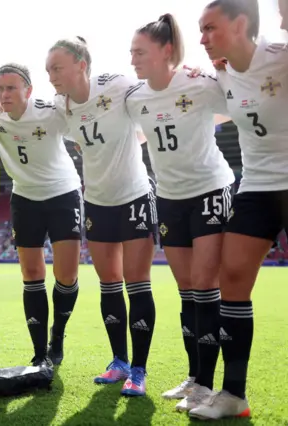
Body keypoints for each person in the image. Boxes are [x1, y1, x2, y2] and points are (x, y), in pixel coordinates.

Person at [125, 14, 235, 410]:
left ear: (166, 51)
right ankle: (195, 377)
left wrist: (223, 68)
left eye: (140, 51)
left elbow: (239, 100)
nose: (132, 58)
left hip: (210, 189)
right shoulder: (135, 97)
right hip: (169, 197)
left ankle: (209, 385)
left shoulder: (199, 82)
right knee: (187, 288)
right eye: (131, 51)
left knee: (206, 286)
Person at [189, 0, 288, 419]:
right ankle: (233, 394)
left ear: (241, 24)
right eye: (200, 29)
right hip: (258, 185)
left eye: (210, 28)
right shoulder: (221, 74)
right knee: (231, 278)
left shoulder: (280, 58)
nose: (202, 38)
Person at [47, 37, 156, 396]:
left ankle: (138, 370)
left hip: (134, 196)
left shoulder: (116, 85)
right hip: (96, 202)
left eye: (57, 68)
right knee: (109, 283)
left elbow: (153, 98)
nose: (51, 76)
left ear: (81, 65)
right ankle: (119, 361)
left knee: (137, 282)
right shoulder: (59, 109)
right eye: (48, 69)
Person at [0, 63, 83, 368]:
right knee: (31, 275)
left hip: (63, 193)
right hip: (25, 197)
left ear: (28, 89)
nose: (4, 94)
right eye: (0, 88)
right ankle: (40, 352)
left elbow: (84, 121)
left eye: (11, 88)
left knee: (66, 276)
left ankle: (58, 335)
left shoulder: (50, 112)